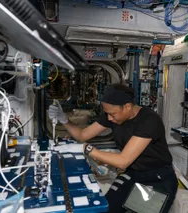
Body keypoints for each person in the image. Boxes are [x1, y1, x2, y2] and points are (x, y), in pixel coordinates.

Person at [48, 83, 178, 213]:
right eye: (107, 114)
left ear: (127, 106)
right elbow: (83, 135)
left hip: (157, 178)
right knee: (106, 208)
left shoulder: (149, 121)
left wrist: (86, 149)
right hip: (133, 173)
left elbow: (123, 161)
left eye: (112, 114)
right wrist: (63, 119)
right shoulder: (112, 116)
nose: (109, 118)